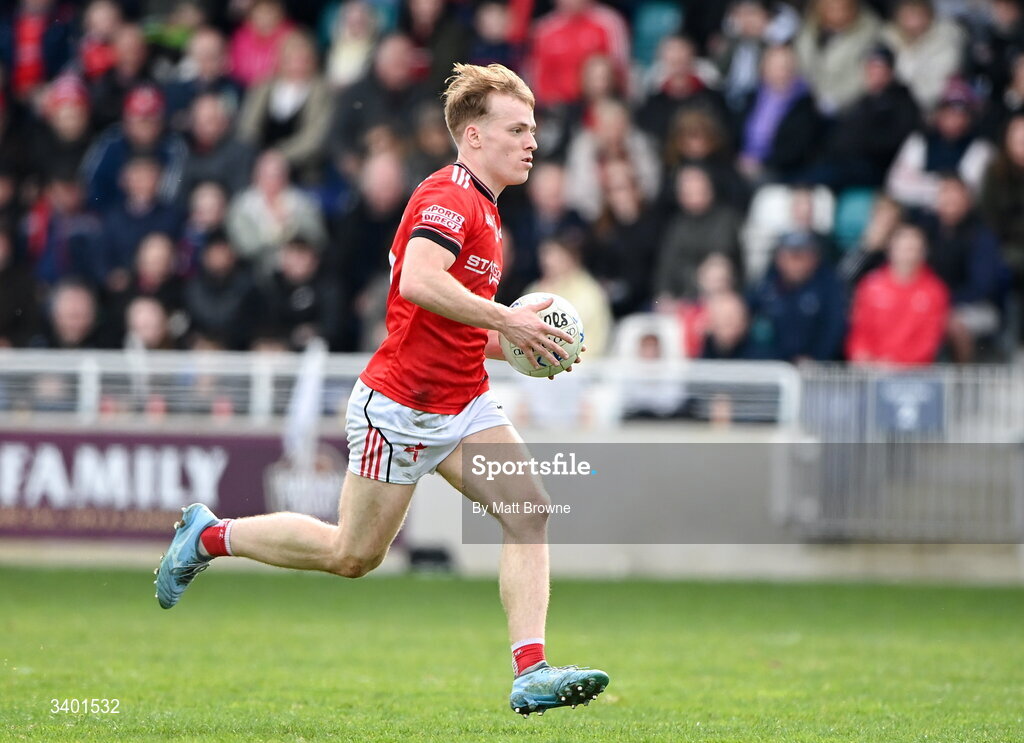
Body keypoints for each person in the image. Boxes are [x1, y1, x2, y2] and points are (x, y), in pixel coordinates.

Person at [155, 62, 610, 716]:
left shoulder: (484, 207)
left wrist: (518, 344)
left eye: (533, 129)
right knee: (352, 553)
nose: (532, 141)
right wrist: (510, 317)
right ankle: (208, 535)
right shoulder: (449, 196)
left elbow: (447, 319)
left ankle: (530, 670)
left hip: (462, 403)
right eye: (517, 128)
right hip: (400, 410)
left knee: (529, 510)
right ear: (475, 136)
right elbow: (419, 282)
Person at [846, 222, 949, 365]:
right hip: (872, 371)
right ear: (891, 249)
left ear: (923, 252)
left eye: (913, 249)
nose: (908, 255)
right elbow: (860, 329)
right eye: (903, 248)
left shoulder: (934, 290)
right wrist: (862, 355)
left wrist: (897, 363)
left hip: (914, 375)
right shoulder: (871, 285)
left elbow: (930, 340)